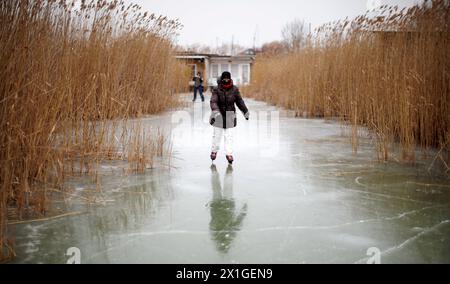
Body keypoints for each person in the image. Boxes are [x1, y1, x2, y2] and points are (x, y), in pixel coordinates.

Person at [209, 71, 249, 164]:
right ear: (222, 79)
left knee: (229, 137)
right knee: (217, 137)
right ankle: (214, 151)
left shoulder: (234, 89)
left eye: (228, 78)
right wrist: (215, 112)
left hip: (230, 115)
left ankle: (229, 154)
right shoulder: (216, 89)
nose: (226, 80)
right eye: (224, 78)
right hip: (218, 115)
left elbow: (240, 101)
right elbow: (213, 101)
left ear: (230, 79)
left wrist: (245, 111)